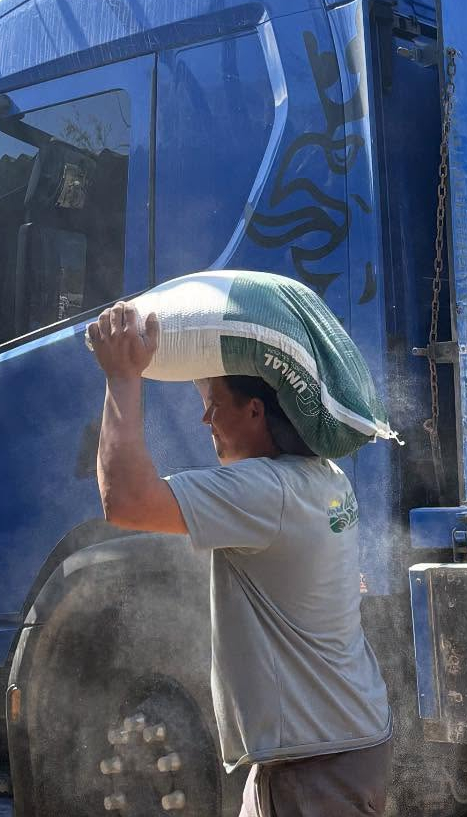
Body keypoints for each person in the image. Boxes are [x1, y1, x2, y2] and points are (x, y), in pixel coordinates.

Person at [87, 301, 392, 817]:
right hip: (328, 748)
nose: (205, 417)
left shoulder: (265, 491)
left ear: (255, 411)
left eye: (215, 403)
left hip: (313, 762)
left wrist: (121, 377)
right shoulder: (322, 477)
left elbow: (126, 500)